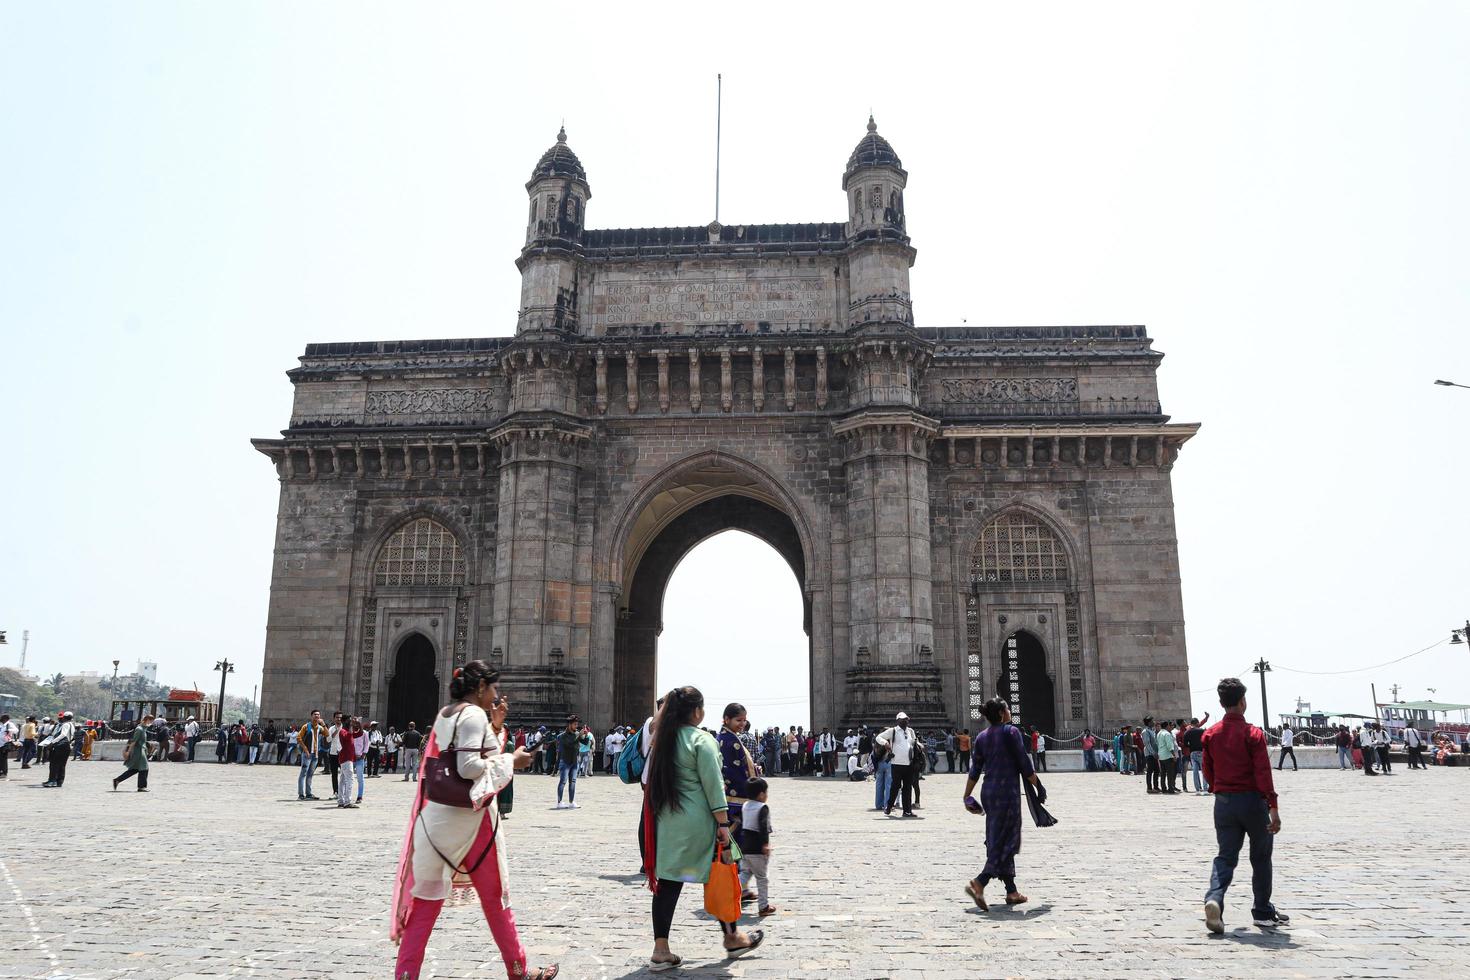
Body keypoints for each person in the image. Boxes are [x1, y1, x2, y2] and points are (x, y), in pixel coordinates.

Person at [390, 660, 555, 980]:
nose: (495, 695)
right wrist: (512, 759)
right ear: (480, 688)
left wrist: (494, 728)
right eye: (492, 688)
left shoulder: (446, 714)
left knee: (424, 907)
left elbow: (453, 758)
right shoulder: (473, 715)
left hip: (434, 822)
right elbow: (467, 767)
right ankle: (518, 970)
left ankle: (404, 976)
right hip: (473, 822)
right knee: (497, 901)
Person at [643, 686, 763, 971]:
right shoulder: (701, 739)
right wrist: (723, 823)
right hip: (700, 824)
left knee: (668, 882)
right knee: (724, 873)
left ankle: (661, 950)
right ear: (697, 712)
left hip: (668, 822)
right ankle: (733, 937)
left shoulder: (662, 740)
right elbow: (713, 785)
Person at [1201, 677, 1288, 932]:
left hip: (1224, 803)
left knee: (1225, 857)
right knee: (1260, 857)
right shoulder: (1253, 734)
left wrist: (1220, 789)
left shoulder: (1210, 734)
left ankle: (1214, 898)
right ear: (1243, 702)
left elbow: (1208, 771)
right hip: (1253, 802)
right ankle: (1262, 910)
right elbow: (1263, 773)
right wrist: (1273, 808)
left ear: (1221, 703)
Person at [962, 697, 1042, 910]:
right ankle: (980, 882)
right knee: (1008, 840)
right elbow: (1024, 763)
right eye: (1007, 708)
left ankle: (1011, 891)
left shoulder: (981, 737)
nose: (1009, 711)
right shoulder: (1011, 732)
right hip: (1007, 792)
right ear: (1000, 713)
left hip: (989, 793)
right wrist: (1039, 785)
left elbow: (974, 770)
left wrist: (966, 796)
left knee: (999, 837)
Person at [738, 777, 777, 917]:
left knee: (745, 873)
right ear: (761, 794)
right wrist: (765, 844)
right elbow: (763, 826)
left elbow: (742, 822)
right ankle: (763, 906)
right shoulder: (762, 808)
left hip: (745, 846)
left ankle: (730, 894)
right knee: (761, 878)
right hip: (756, 848)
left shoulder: (745, 805)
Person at [716, 704, 757, 831]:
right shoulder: (729, 740)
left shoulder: (728, 736)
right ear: (727, 719)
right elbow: (732, 770)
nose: (742, 723)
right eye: (738, 720)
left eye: (744, 720)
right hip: (736, 795)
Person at [875, 711, 920, 817]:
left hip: (909, 763)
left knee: (907, 788)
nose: (906, 721)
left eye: (907, 719)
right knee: (895, 787)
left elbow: (913, 743)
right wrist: (885, 743)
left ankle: (907, 811)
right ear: (898, 721)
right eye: (903, 719)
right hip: (896, 764)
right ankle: (889, 806)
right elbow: (878, 737)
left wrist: (919, 745)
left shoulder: (910, 731)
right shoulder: (893, 731)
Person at [113, 714, 152, 792]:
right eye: (151, 720)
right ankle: (141, 787)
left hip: (142, 750)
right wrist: (128, 751)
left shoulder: (143, 728)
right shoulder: (139, 729)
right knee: (144, 768)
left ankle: (117, 780)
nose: (151, 722)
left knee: (135, 769)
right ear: (147, 719)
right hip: (139, 751)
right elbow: (134, 741)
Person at [296, 710, 326, 800]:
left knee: (310, 774)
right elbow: (298, 738)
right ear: (311, 716)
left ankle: (308, 793)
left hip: (315, 754)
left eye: (318, 714)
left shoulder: (320, 728)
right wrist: (305, 750)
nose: (317, 716)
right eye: (315, 714)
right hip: (307, 754)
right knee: (303, 773)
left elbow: (327, 734)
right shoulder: (306, 726)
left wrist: (323, 724)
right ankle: (301, 794)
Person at [40, 711, 75, 788]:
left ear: (64, 717)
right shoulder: (71, 725)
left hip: (61, 746)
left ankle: (53, 781)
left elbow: (63, 735)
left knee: (55, 764)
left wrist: (52, 742)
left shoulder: (65, 724)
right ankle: (59, 781)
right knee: (61, 765)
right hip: (66, 746)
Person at [554, 715, 581, 809]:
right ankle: (559, 802)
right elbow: (570, 744)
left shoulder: (577, 734)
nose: (576, 726)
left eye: (577, 724)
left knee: (573, 782)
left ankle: (571, 801)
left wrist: (585, 735)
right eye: (575, 724)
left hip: (574, 761)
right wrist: (579, 736)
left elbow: (585, 742)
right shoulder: (562, 736)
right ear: (569, 725)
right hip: (565, 761)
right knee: (563, 782)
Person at [335, 716, 359, 809]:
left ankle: (341, 800)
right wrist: (351, 727)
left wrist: (357, 724)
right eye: (349, 721)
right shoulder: (343, 731)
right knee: (349, 779)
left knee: (342, 780)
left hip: (347, 758)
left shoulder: (348, 731)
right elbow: (347, 737)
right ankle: (347, 801)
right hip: (346, 759)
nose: (351, 722)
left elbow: (359, 733)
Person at [1156, 720, 1178, 793]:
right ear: (1167, 726)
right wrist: (1174, 755)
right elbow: (1169, 746)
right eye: (1169, 725)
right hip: (1168, 756)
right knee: (1170, 774)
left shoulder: (1159, 733)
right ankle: (1171, 789)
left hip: (1161, 756)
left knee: (1163, 774)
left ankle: (1163, 788)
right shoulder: (1167, 734)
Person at [0, 714, 17, 779]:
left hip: (5, 744)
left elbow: (16, 730)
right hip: (0, 743)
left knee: (3, 759)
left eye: (2, 717)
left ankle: (4, 772)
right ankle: (1, 771)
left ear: (6, 718)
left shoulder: (9, 724)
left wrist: (9, 730)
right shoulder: (1, 724)